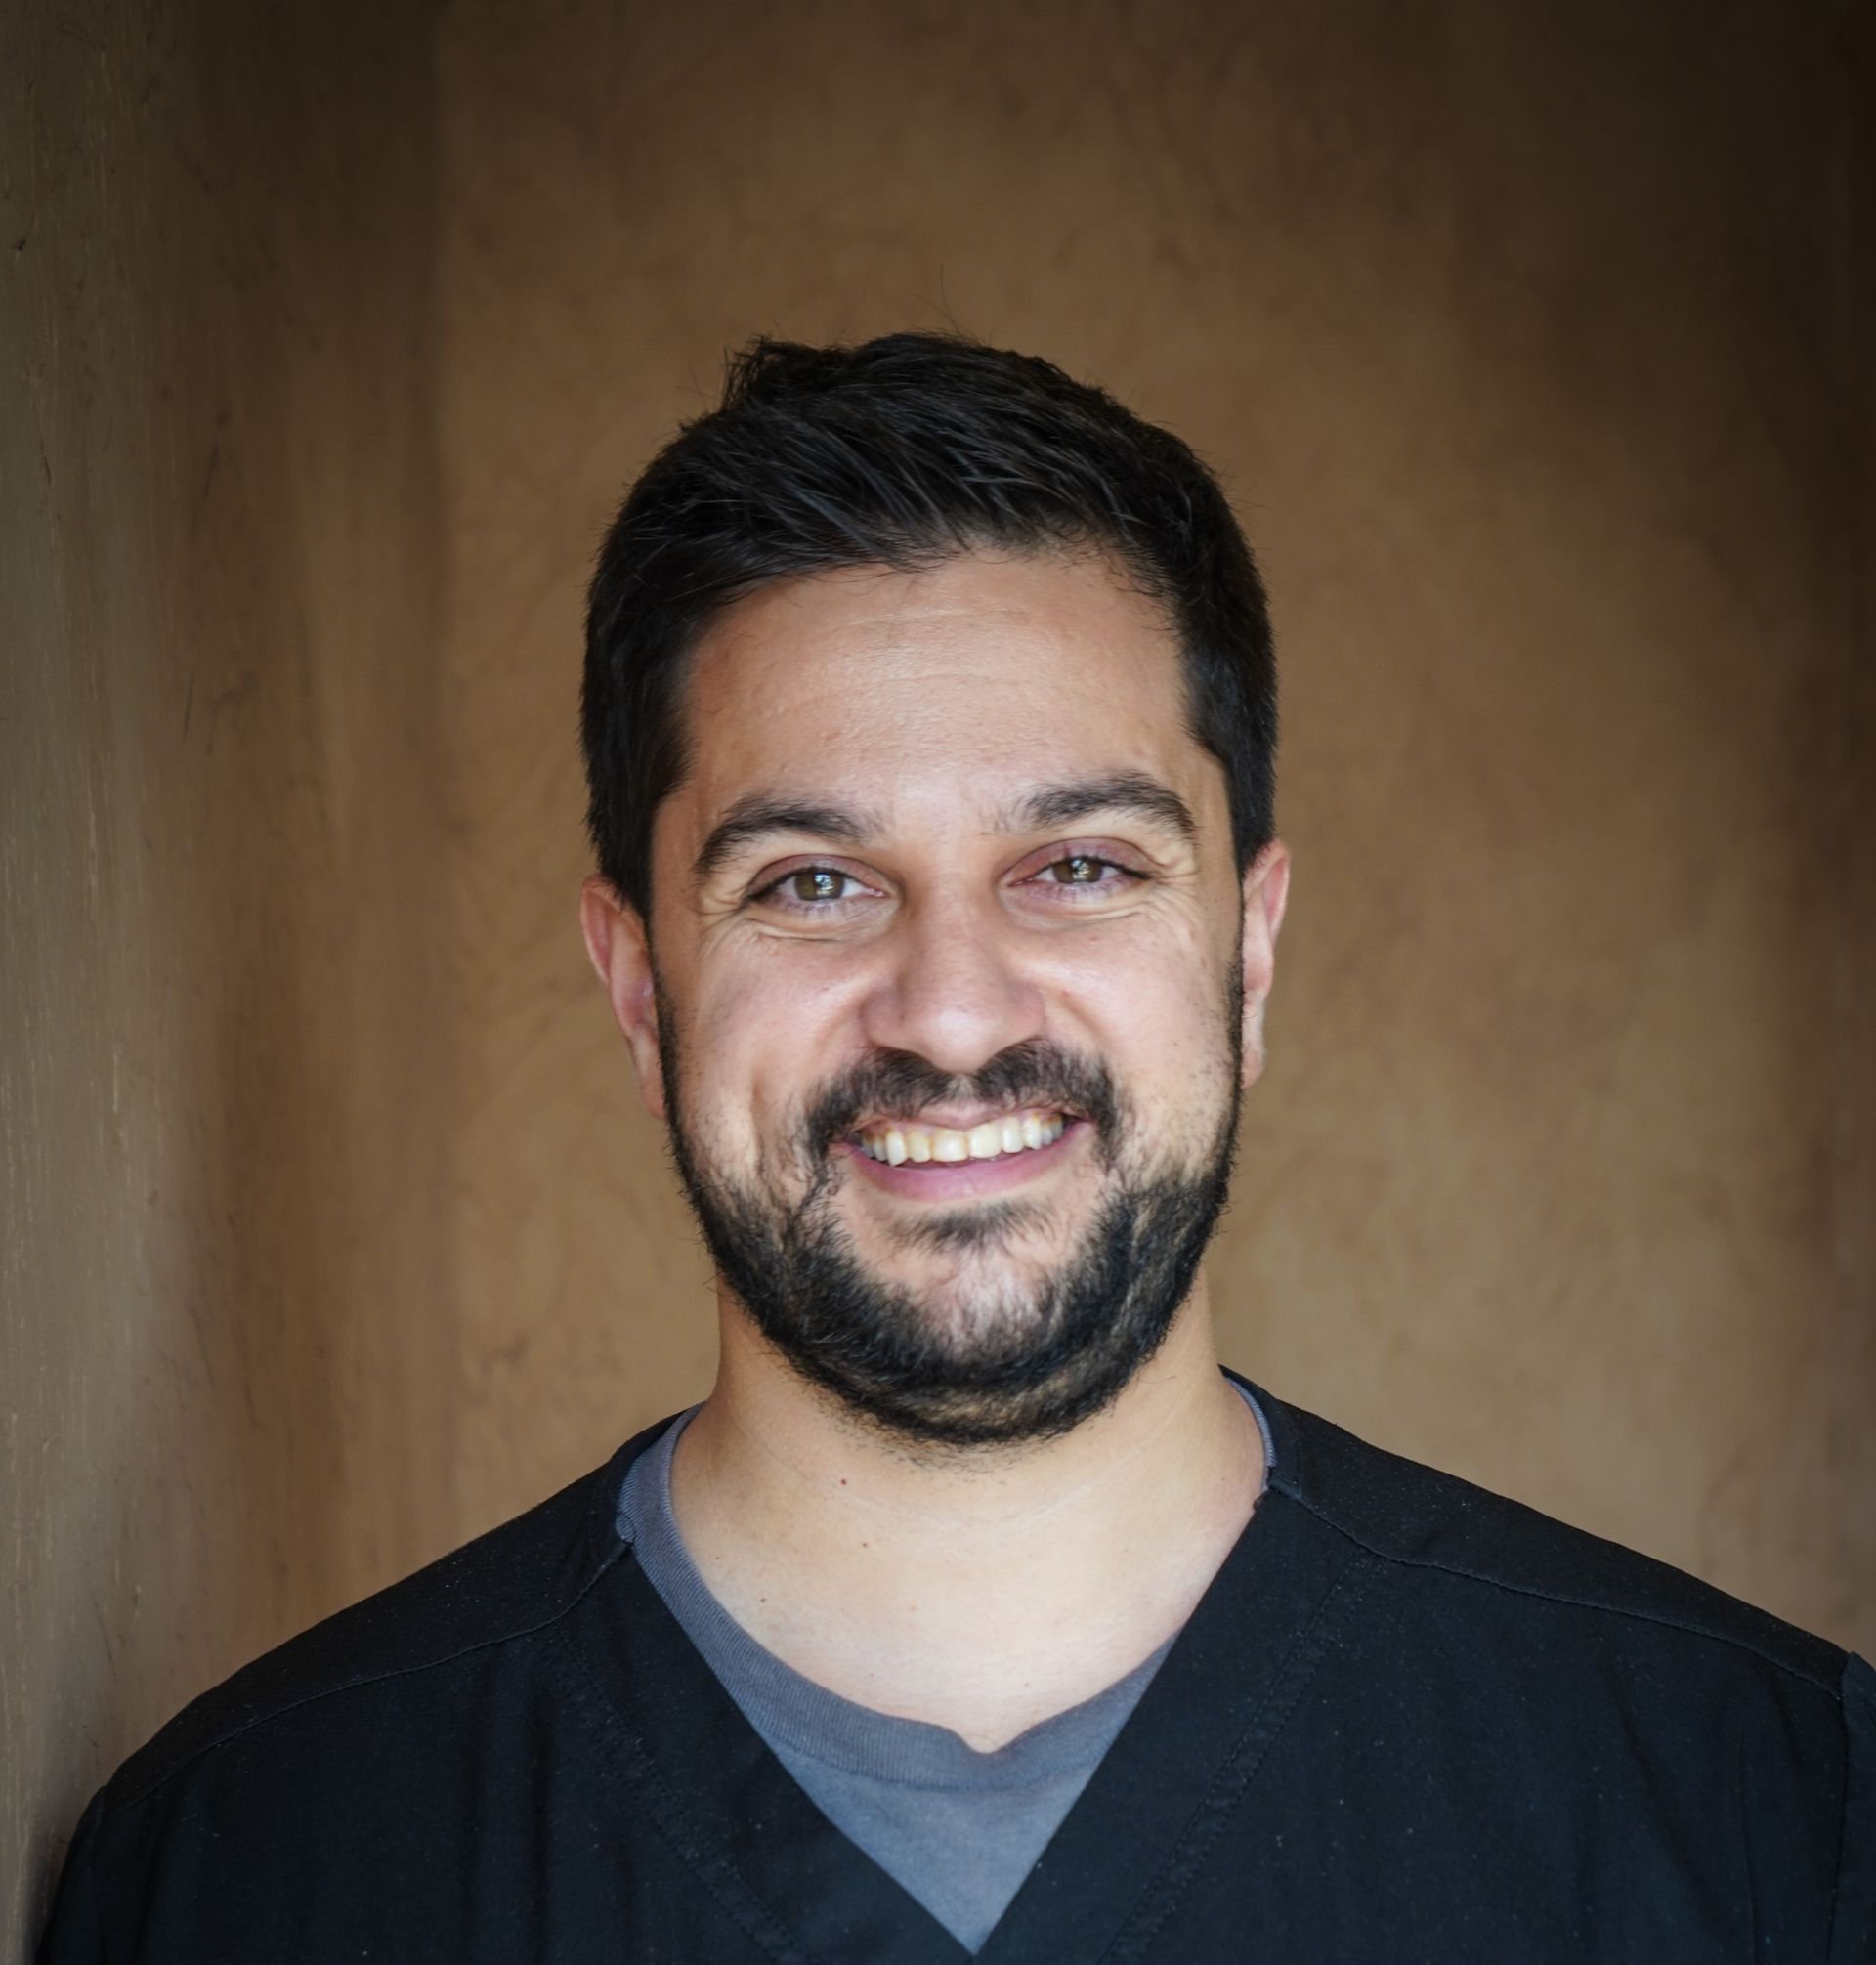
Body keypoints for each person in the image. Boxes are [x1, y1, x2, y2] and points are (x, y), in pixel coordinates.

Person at [40, 333, 1872, 1962]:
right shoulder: (254, 1865)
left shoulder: (1767, 1815)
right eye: (814, 884)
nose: (952, 1010)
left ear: (1247, 952)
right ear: (635, 983)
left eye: (1078, 866)